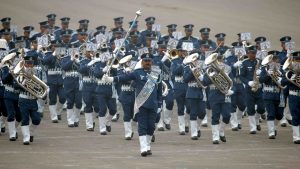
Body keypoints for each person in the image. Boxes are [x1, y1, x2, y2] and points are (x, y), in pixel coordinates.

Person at [103, 53, 162, 157]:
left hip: (153, 104)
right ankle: (143, 148)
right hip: (142, 104)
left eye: (149, 60)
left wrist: (160, 104)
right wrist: (110, 79)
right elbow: (124, 78)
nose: (147, 62)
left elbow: (159, 90)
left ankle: (148, 146)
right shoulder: (137, 73)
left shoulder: (157, 73)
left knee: (151, 127)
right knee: (142, 126)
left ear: (151, 62)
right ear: (142, 62)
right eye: (145, 60)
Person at [240, 45, 265, 134]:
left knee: (262, 108)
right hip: (249, 89)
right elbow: (241, 76)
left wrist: (261, 74)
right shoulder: (244, 63)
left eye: (254, 53)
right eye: (251, 53)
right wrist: (248, 82)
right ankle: (253, 127)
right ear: (248, 53)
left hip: (259, 88)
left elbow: (265, 75)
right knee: (250, 108)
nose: (253, 55)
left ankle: (257, 119)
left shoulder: (261, 62)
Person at [259, 51, 284, 139]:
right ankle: (271, 132)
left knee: (279, 115)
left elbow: (285, 80)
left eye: (275, 59)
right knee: (271, 114)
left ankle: (274, 127)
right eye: (272, 59)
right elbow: (261, 80)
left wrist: (281, 77)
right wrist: (268, 74)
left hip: (279, 95)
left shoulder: (281, 69)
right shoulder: (265, 69)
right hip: (268, 95)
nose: (274, 61)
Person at [281, 51, 300, 144]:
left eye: (299, 60)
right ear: (293, 60)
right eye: (296, 60)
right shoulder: (289, 72)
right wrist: (292, 78)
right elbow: (283, 82)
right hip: (294, 96)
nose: (298, 62)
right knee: (295, 116)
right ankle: (296, 137)